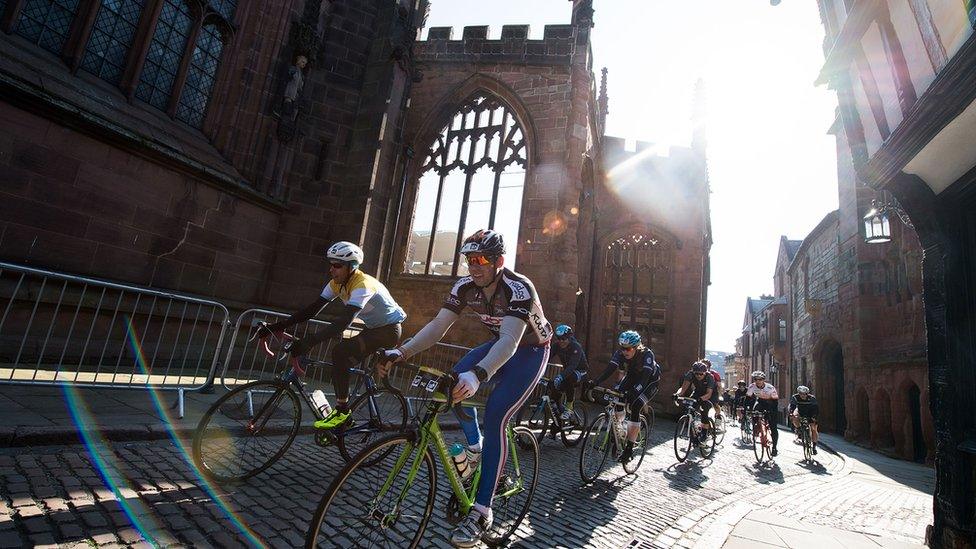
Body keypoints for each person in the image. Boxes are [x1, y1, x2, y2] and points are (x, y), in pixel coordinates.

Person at [376, 229, 552, 547]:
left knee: (496, 415)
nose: (474, 265)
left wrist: (479, 375)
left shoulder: (519, 287)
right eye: (469, 259)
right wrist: (402, 352)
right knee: (450, 384)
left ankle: (483, 511)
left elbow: (512, 341)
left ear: (499, 261)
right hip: (499, 345)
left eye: (482, 259)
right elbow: (436, 327)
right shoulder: (464, 286)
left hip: (530, 351)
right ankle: (475, 450)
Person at [257, 241, 405, 430]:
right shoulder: (337, 284)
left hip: (388, 331)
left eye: (337, 265)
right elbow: (312, 310)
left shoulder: (363, 285)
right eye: (331, 264)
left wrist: (309, 342)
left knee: (340, 353)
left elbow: (343, 323)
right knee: (340, 364)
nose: (332, 270)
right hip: (373, 328)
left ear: (351, 267)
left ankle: (343, 412)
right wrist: (277, 326)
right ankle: (345, 409)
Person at [588, 330, 661, 463]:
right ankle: (619, 430)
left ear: (637, 346)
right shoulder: (620, 353)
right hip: (632, 377)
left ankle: (629, 449)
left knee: (636, 405)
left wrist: (635, 391)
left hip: (650, 381)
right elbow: (610, 368)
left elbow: (645, 378)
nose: (624, 351)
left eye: (628, 349)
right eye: (622, 348)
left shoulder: (647, 354)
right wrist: (596, 381)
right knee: (617, 398)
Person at [550, 324, 589, 422]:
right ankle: (558, 413)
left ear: (569, 337)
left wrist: (560, 376)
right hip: (568, 372)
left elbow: (572, 366)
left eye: (564, 339)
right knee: (552, 384)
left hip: (581, 372)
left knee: (568, 378)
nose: (561, 341)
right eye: (559, 338)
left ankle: (569, 407)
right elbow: (546, 358)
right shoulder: (556, 346)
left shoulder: (576, 347)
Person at [673, 361, 717, 434]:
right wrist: (677, 394)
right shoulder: (690, 375)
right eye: (696, 373)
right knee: (688, 407)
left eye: (701, 374)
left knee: (704, 410)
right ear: (693, 372)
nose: (698, 376)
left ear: (705, 373)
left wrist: (701, 399)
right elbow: (683, 388)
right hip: (698, 392)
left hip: (711, 394)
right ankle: (693, 426)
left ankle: (704, 433)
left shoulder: (710, 377)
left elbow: (709, 394)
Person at [747, 371, 780, 456]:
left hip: (771, 403)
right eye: (756, 379)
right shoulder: (752, 386)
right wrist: (746, 408)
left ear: (763, 380)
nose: (758, 381)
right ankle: (756, 428)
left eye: (760, 379)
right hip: (760, 402)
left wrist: (772, 411)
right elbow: (748, 399)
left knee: (773, 427)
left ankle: (774, 448)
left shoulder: (770, 388)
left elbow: (775, 401)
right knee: (754, 412)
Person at [789, 385, 820, 454]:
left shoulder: (812, 398)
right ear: (798, 393)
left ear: (807, 393)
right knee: (794, 416)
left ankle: (814, 447)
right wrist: (791, 413)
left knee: (814, 429)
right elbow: (792, 407)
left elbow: (816, 409)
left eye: (804, 394)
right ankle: (799, 429)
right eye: (801, 394)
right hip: (800, 412)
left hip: (810, 413)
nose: (802, 395)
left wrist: (814, 417)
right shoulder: (795, 397)